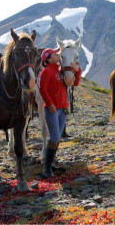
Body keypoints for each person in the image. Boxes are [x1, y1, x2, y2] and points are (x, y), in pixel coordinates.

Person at [39, 47, 81, 178]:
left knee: (57, 139)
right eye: (55, 54)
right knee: (55, 137)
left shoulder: (59, 71)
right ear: (49, 58)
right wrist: (50, 103)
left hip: (62, 109)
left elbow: (75, 83)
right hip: (52, 109)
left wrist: (77, 70)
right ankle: (46, 168)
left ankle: (51, 164)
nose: (58, 55)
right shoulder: (46, 71)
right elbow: (42, 89)